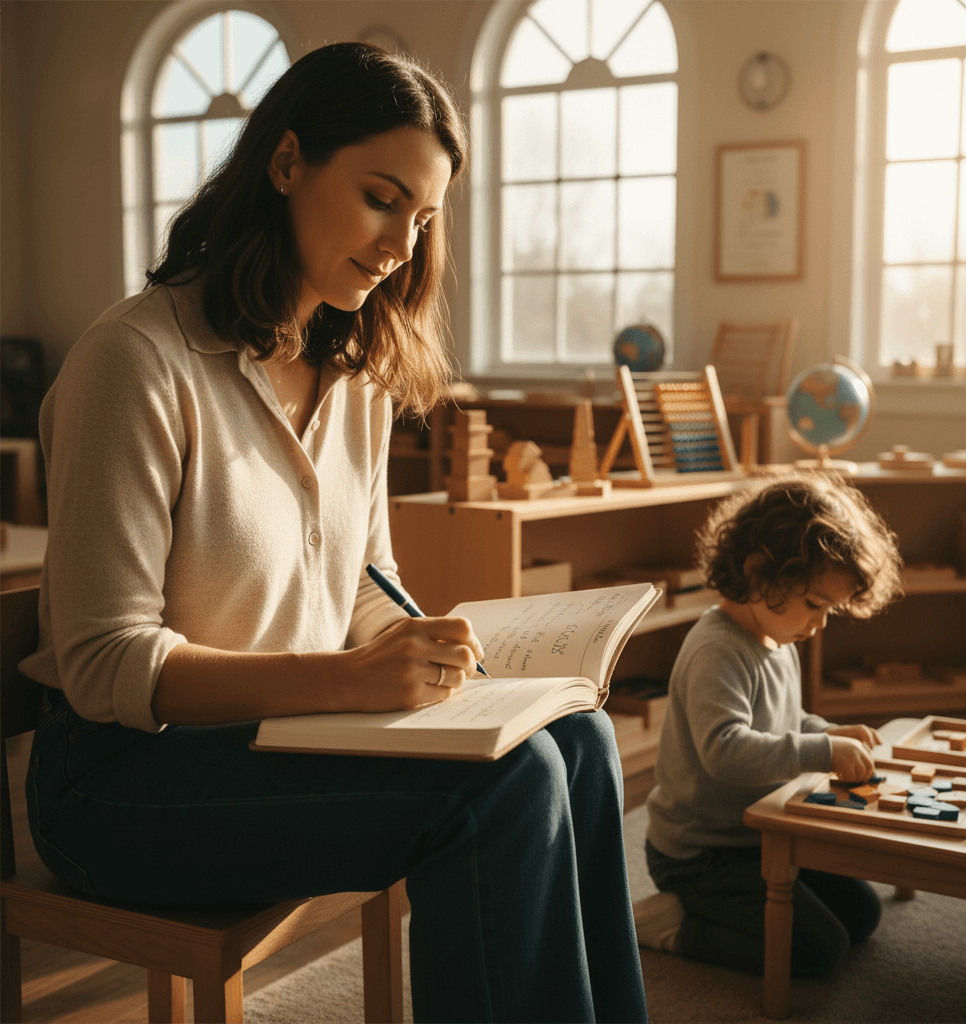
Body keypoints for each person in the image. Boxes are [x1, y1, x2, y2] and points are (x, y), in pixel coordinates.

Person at [21, 43, 648, 1024]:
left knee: (576, 736)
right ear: (285, 164)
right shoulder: (135, 361)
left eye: (425, 217)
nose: (403, 242)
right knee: (503, 790)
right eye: (381, 198)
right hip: (121, 781)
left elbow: (362, 578)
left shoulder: (354, 374)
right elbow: (104, 662)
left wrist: (448, 658)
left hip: (277, 738)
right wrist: (346, 681)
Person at [634, 473, 903, 978]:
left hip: (761, 833)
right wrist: (821, 752)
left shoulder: (778, 637)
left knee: (861, 916)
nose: (820, 624)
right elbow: (727, 750)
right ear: (760, 573)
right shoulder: (718, 649)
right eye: (816, 605)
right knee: (817, 952)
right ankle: (673, 924)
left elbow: (787, 720)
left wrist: (830, 732)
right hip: (702, 853)